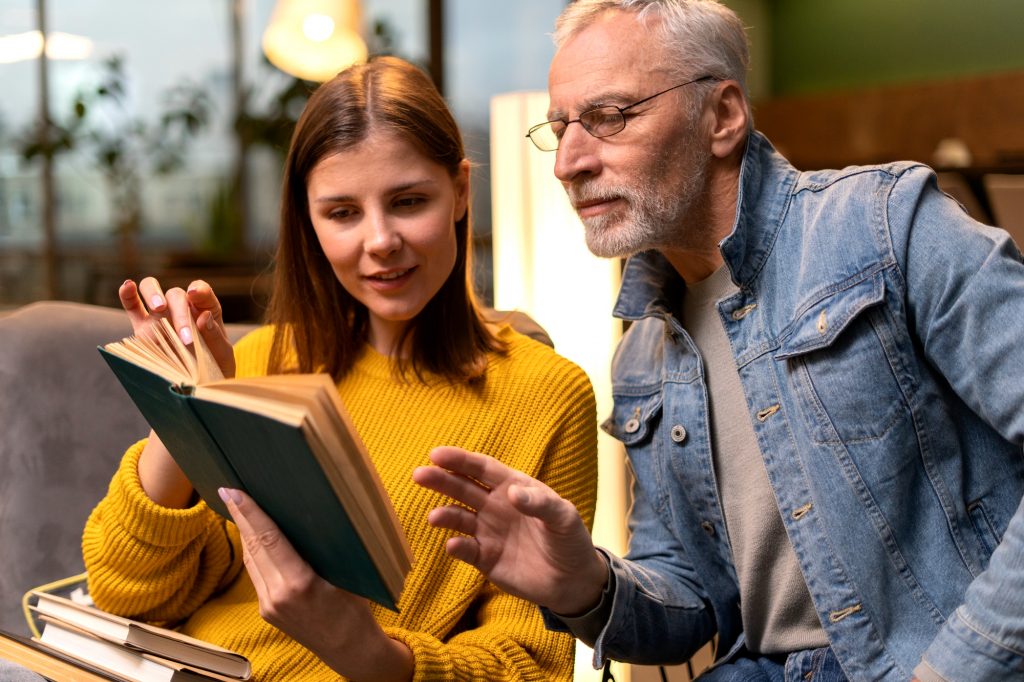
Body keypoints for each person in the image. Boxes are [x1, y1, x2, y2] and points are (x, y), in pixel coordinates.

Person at [412, 2, 1024, 681]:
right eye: (559, 128)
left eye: (609, 117)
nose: (569, 163)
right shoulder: (643, 352)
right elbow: (696, 604)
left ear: (723, 117)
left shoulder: (887, 228)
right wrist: (583, 584)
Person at [82, 55, 598, 681]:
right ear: (308, 218)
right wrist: (183, 403)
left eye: (408, 201)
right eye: (342, 212)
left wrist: (364, 652)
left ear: (461, 190)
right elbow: (125, 592)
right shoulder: (259, 361)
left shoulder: (544, 395)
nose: (379, 240)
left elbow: (533, 666)